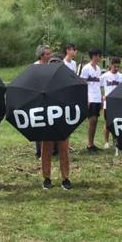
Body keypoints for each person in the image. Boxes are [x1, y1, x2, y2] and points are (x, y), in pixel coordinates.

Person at [40, 57, 72, 190]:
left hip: (62, 119)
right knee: (46, 149)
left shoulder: (67, 81)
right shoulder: (43, 81)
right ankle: (46, 178)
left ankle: (65, 178)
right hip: (47, 119)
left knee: (63, 149)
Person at [80, 48, 103, 152]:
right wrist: (86, 98)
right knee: (92, 120)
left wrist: (101, 98)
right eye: (99, 56)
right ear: (94, 56)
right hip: (90, 97)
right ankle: (89, 144)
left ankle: (92, 143)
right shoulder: (86, 68)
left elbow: (98, 85)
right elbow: (83, 84)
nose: (100, 58)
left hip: (97, 97)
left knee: (96, 121)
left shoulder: (98, 68)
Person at [100, 57, 122, 150]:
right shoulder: (104, 76)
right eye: (115, 66)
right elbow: (99, 87)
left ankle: (116, 142)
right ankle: (106, 142)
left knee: (117, 123)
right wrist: (102, 96)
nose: (116, 68)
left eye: (118, 67)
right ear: (111, 65)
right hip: (108, 104)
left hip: (118, 104)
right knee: (107, 123)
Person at [33, 44, 52, 159]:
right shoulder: (34, 67)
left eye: (50, 53)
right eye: (47, 54)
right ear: (41, 55)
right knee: (38, 124)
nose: (49, 55)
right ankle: (39, 150)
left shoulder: (51, 66)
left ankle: (49, 150)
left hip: (49, 98)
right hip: (38, 97)